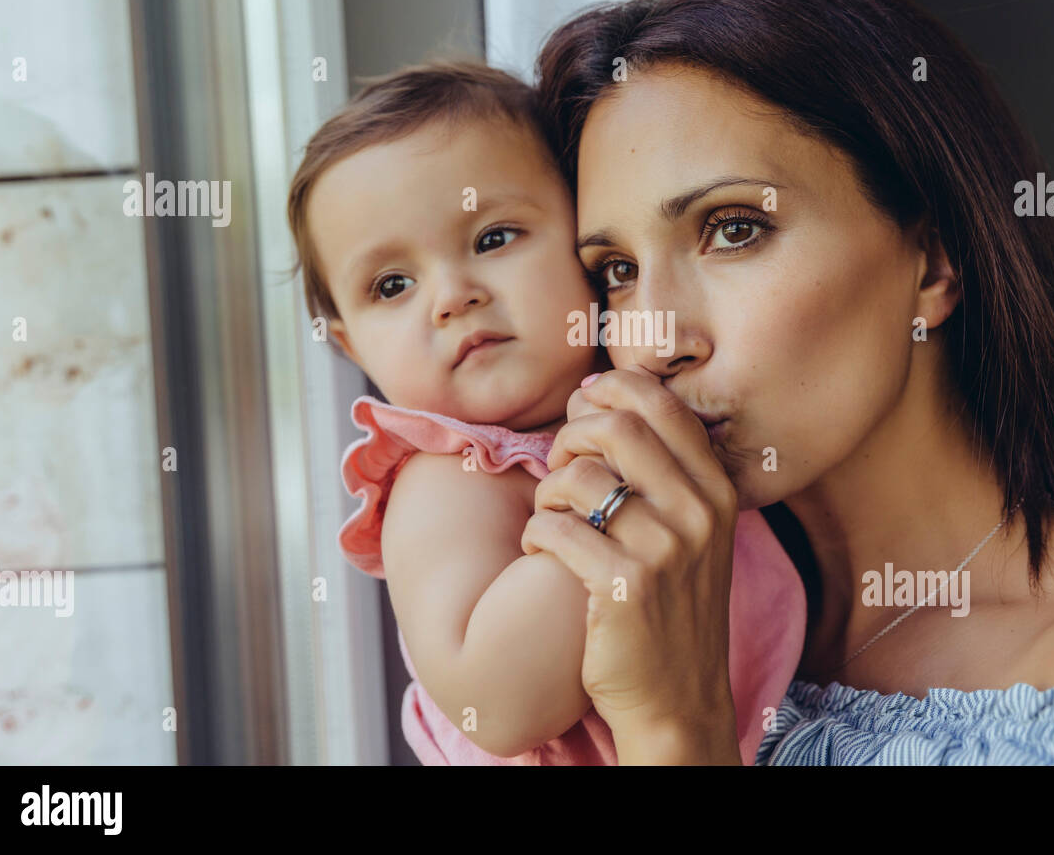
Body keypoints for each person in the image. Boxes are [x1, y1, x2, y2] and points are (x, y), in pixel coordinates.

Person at [525, 0, 1054, 764]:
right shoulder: (657, 622)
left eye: (734, 228)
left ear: (933, 263)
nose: (655, 340)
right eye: (617, 271)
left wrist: (674, 727)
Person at [284, 60, 806, 764]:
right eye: (392, 284)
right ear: (350, 343)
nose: (451, 296)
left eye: (494, 238)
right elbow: (494, 706)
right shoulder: (447, 480)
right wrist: (621, 499)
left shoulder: (651, 386)